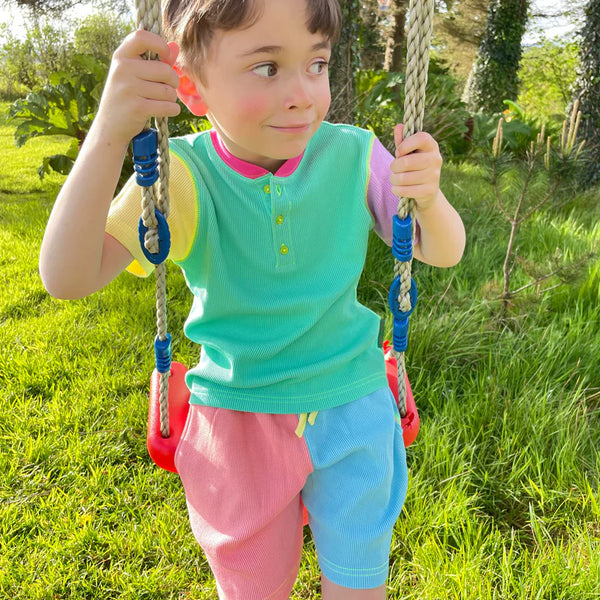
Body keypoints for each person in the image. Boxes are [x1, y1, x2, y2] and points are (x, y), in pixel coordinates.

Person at [39, 0, 465, 598]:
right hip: (237, 424)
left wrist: (432, 199)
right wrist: (110, 134)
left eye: (316, 63)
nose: (302, 94)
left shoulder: (354, 153)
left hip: (353, 406)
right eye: (267, 68)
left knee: (358, 580)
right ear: (190, 84)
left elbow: (439, 249)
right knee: (253, 587)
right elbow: (67, 275)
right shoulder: (181, 177)